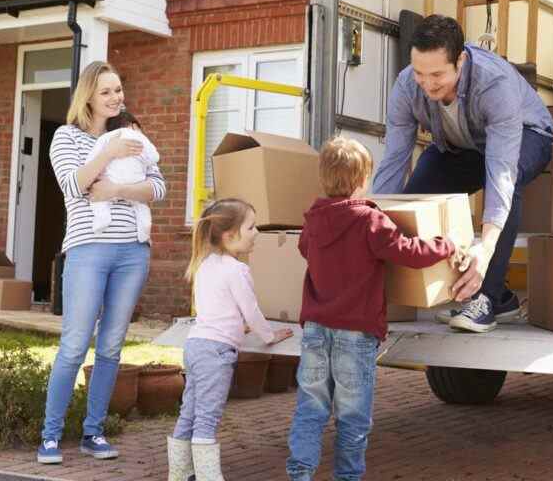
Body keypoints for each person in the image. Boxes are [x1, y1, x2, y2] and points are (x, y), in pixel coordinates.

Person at [286, 137, 461, 481]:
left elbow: (305, 249)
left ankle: (299, 474)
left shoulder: (314, 220)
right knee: (352, 417)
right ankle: (347, 477)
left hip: (315, 330)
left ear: (323, 177)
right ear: (363, 178)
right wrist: (449, 243)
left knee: (310, 409)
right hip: (356, 331)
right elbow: (409, 252)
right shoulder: (369, 220)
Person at [373, 14, 553, 333]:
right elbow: (394, 160)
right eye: (419, 73)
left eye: (437, 75)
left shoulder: (493, 83)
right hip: (464, 147)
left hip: (528, 136)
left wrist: (483, 249)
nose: (427, 84)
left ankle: (485, 298)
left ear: (460, 60)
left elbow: (501, 173)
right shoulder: (405, 85)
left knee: (505, 185)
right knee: (417, 192)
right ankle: (497, 297)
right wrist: (370, 221)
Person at [37, 61, 166, 465]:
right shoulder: (66, 137)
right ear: (88, 95)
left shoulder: (131, 134)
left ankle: (93, 432)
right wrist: (108, 151)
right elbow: (75, 187)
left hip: (133, 252)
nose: (116, 97)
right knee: (75, 344)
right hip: (88, 250)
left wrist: (117, 188)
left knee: (111, 346)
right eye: (107, 91)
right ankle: (51, 437)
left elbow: (158, 185)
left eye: (119, 90)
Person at [167, 198, 293, 481]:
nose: (256, 233)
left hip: (196, 345)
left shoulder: (204, 264)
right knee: (208, 417)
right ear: (229, 235)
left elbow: (216, 310)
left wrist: (237, 328)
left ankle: (179, 473)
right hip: (216, 353)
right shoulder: (237, 270)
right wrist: (269, 335)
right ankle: (208, 477)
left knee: (190, 411)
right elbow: (251, 311)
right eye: (251, 227)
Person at [85, 110, 159, 243]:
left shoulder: (107, 138)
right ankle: (144, 230)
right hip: (135, 183)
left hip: (109, 180)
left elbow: (92, 159)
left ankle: (102, 217)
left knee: (99, 202)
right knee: (140, 206)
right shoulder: (141, 139)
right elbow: (154, 157)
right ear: (134, 125)